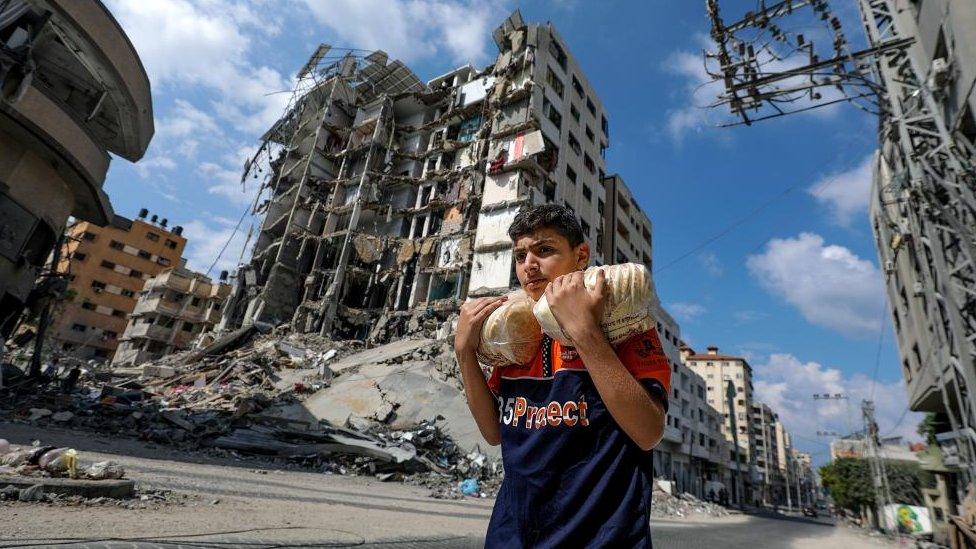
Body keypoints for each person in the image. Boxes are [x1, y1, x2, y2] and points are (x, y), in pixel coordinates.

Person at [455, 204, 671, 548]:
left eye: (545, 250)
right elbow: (495, 433)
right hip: (512, 535)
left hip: (602, 537)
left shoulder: (621, 322)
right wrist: (464, 354)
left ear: (581, 255)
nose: (529, 265)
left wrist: (584, 330)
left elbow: (648, 432)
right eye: (520, 255)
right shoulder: (517, 334)